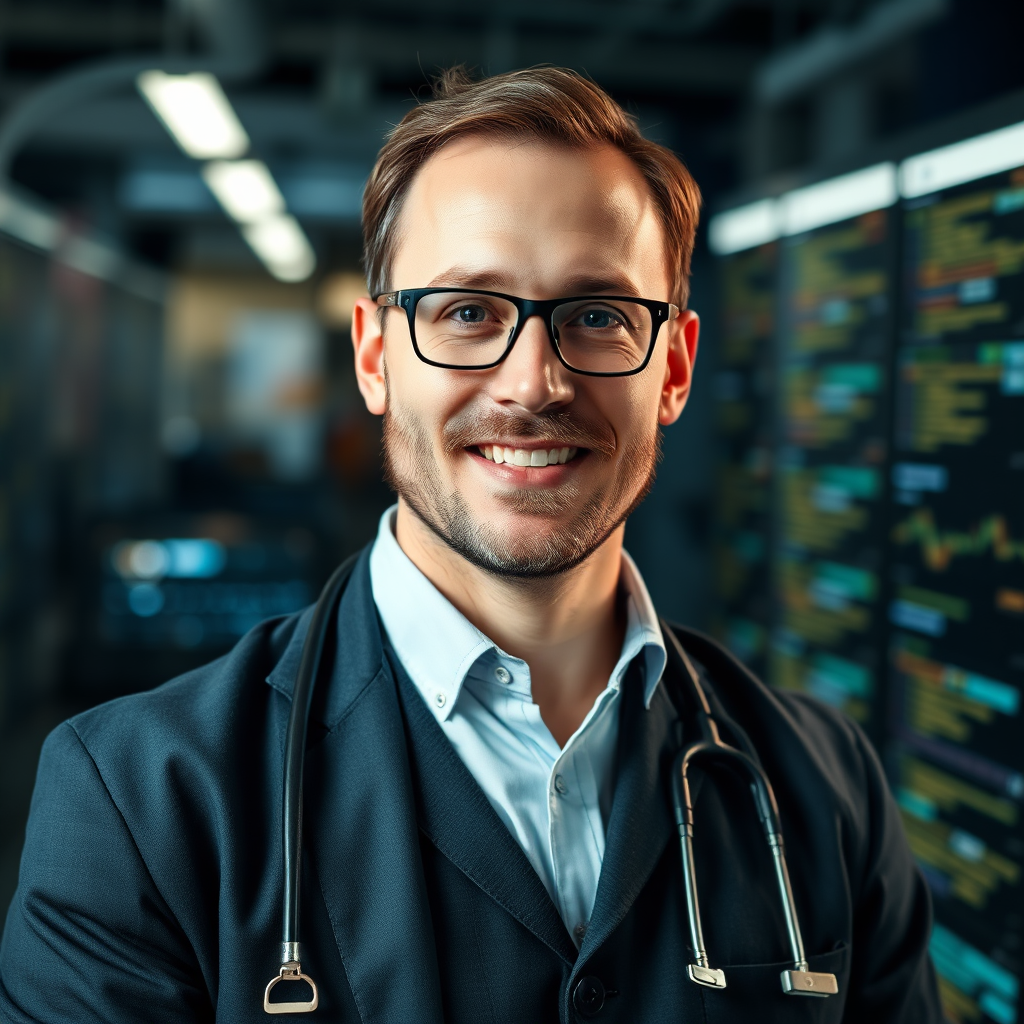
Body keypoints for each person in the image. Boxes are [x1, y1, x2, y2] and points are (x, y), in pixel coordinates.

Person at [0, 66, 942, 1023]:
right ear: (375, 357)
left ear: (675, 368)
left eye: (598, 316)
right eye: (466, 313)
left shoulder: (827, 791)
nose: (532, 385)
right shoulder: (136, 804)